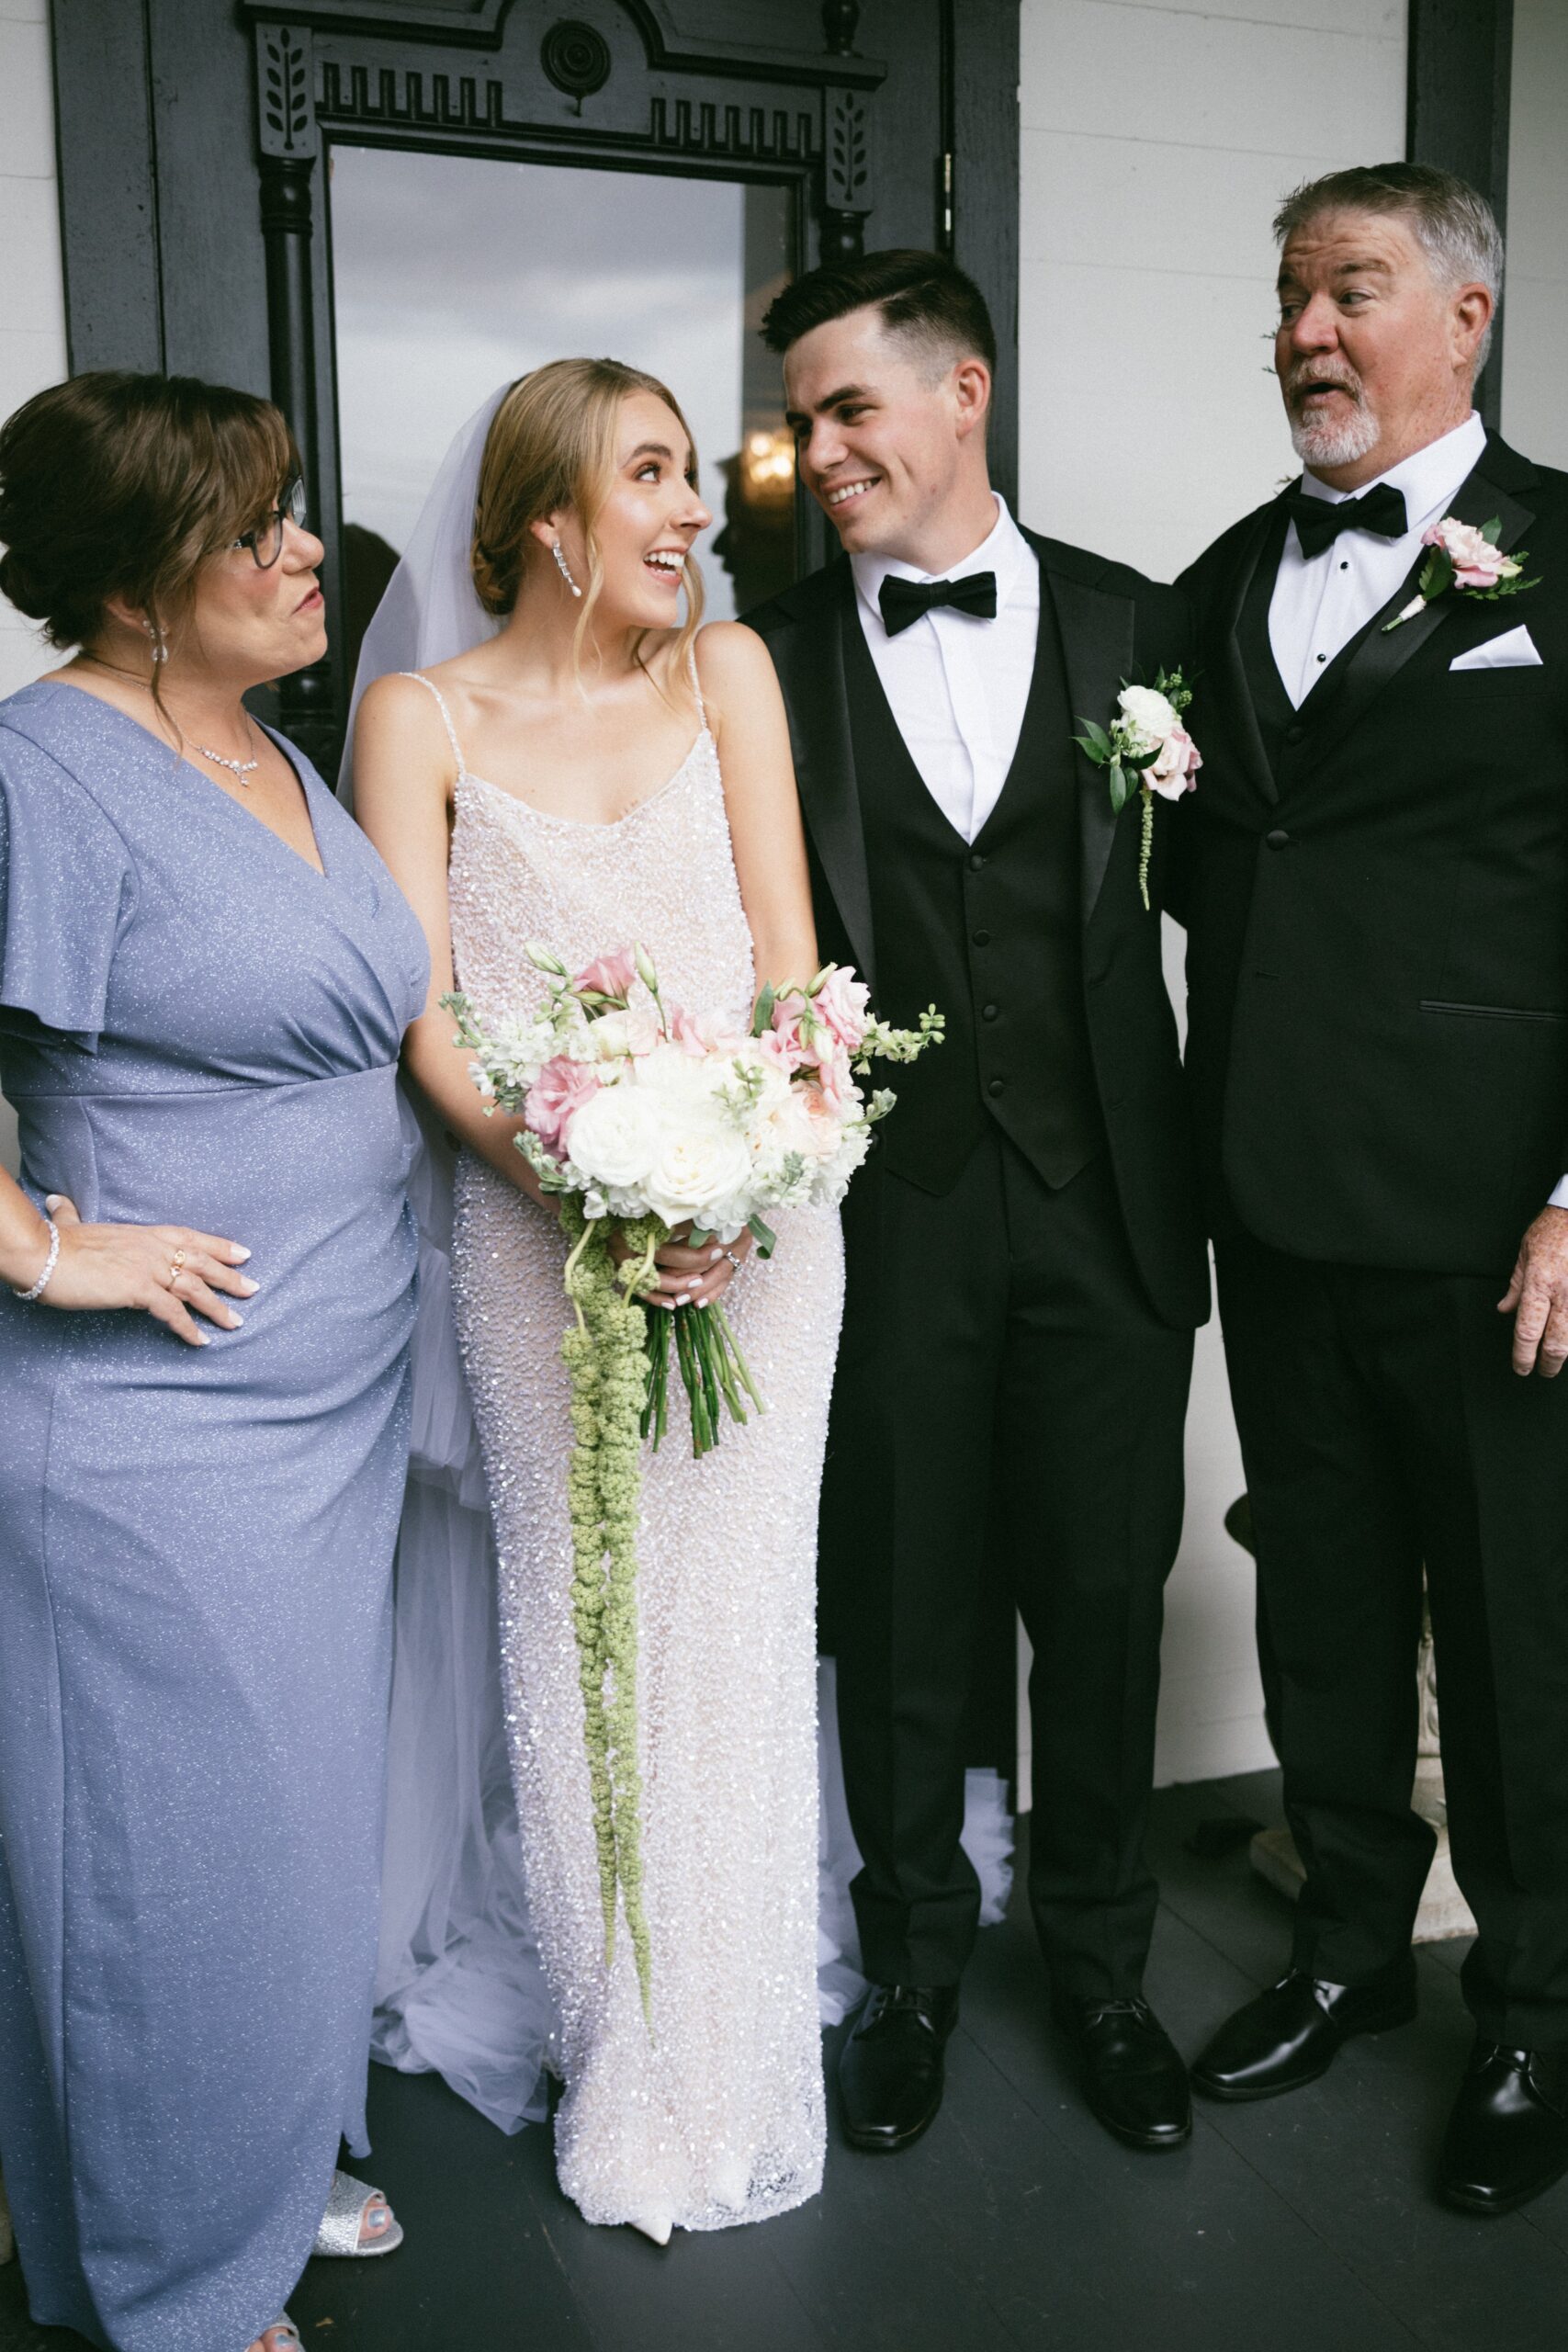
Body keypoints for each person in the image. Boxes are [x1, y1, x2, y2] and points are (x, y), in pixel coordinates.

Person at [352, 359, 840, 2240]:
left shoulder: (728, 678)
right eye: (653, 475)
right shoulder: (418, 713)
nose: (696, 510)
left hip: (764, 1236)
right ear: (549, 518)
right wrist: (590, 1182)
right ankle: (627, 2054)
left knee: (734, 1628)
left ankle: (737, 2052)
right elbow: (429, 1018)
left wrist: (753, 1171)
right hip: (529, 1236)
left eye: (693, 474)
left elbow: (792, 968)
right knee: (589, 1640)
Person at [743, 252, 1210, 2156]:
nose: (820, 449)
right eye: (800, 419)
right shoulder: (760, 659)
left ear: (962, 396)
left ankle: (1101, 1969)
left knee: (1100, 1603)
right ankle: (913, 1962)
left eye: (850, 407)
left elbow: (1248, 907)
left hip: (1107, 1201)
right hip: (887, 1212)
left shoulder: (1134, 621)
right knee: (903, 1598)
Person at [0, 372, 425, 2352]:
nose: (300, 548)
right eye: (252, 527)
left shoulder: (264, 742)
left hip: (328, 1401)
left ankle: (234, 2167)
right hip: (162, 1434)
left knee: (285, 1831)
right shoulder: (44, 769)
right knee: (175, 1864)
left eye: (293, 513)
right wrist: (43, 1243)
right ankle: (176, 2279)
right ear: (138, 577)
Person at [1177, 163, 1568, 2218]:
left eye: (1347, 291)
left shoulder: (1563, 560)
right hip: (1270, 1201)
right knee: (1318, 1603)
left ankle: (1532, 2009)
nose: (1303, 333)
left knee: (1516, 1632)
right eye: (1285, 294)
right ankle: (1345, 1950)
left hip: (1498, 1223)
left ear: (1463, 316)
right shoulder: (1224, 570)